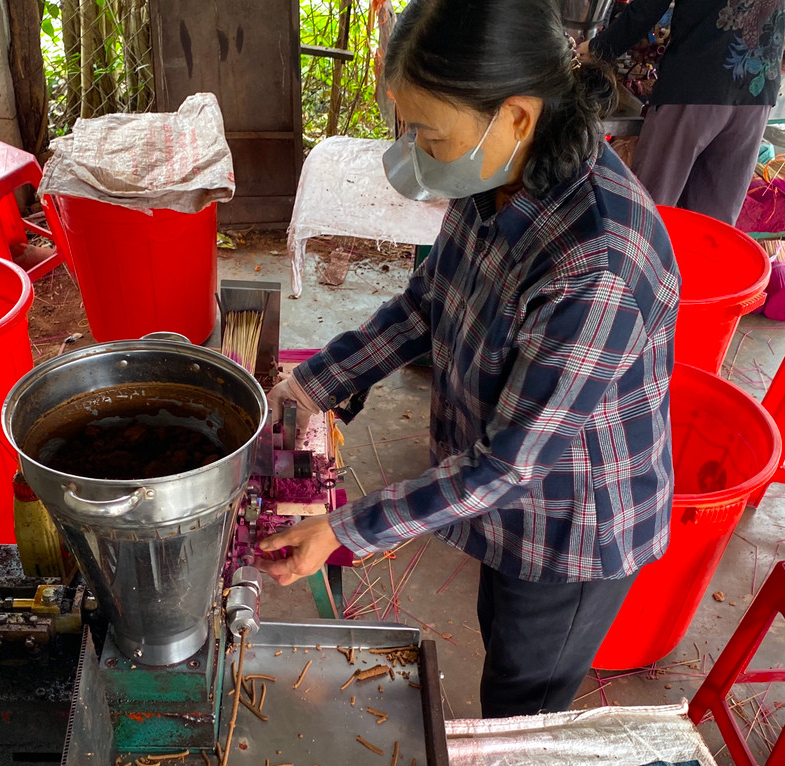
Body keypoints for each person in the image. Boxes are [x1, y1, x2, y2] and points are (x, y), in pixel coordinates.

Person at [257, 0, 681, 718]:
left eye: (429, 133)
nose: (414, 151)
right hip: (512, 504)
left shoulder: (594, 262)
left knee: (524, 695)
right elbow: (427, 305)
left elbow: (507, 467)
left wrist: (342, 529)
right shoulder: (496, 174)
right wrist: (309, 387)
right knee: (501, 630)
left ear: (515, 115)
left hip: (572, 522)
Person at [581, 0, 785, 225]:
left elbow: (647, 8)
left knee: (652, 209)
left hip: (695, 85)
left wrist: (598, 49)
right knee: (713, 222)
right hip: (755, 94)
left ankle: (644, 268)